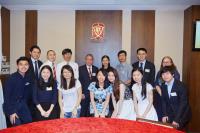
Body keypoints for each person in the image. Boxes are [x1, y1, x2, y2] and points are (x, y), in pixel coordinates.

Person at [3, 56, 32, 126]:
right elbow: (6, 97)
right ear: (17, 66)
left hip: (23, 105)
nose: (23, 66)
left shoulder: (28, 77)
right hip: (12, 105)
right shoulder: (11, 78)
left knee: (29, 123)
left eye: (26, 64)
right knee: (17, 125)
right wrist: (11, 112)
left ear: (28, 66)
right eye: (21, 64)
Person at [154, 56, 180, 121]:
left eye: (167, 62)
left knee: (169, 119)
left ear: (171, 63)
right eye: (164, 62)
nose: (165, 63)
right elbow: (157, 84)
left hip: (170, 99)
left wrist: (165, 96)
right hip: (160, 97)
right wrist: (162, 95)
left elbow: (173, 87)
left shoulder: (175, 73)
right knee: (160, 117)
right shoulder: (160, 72)